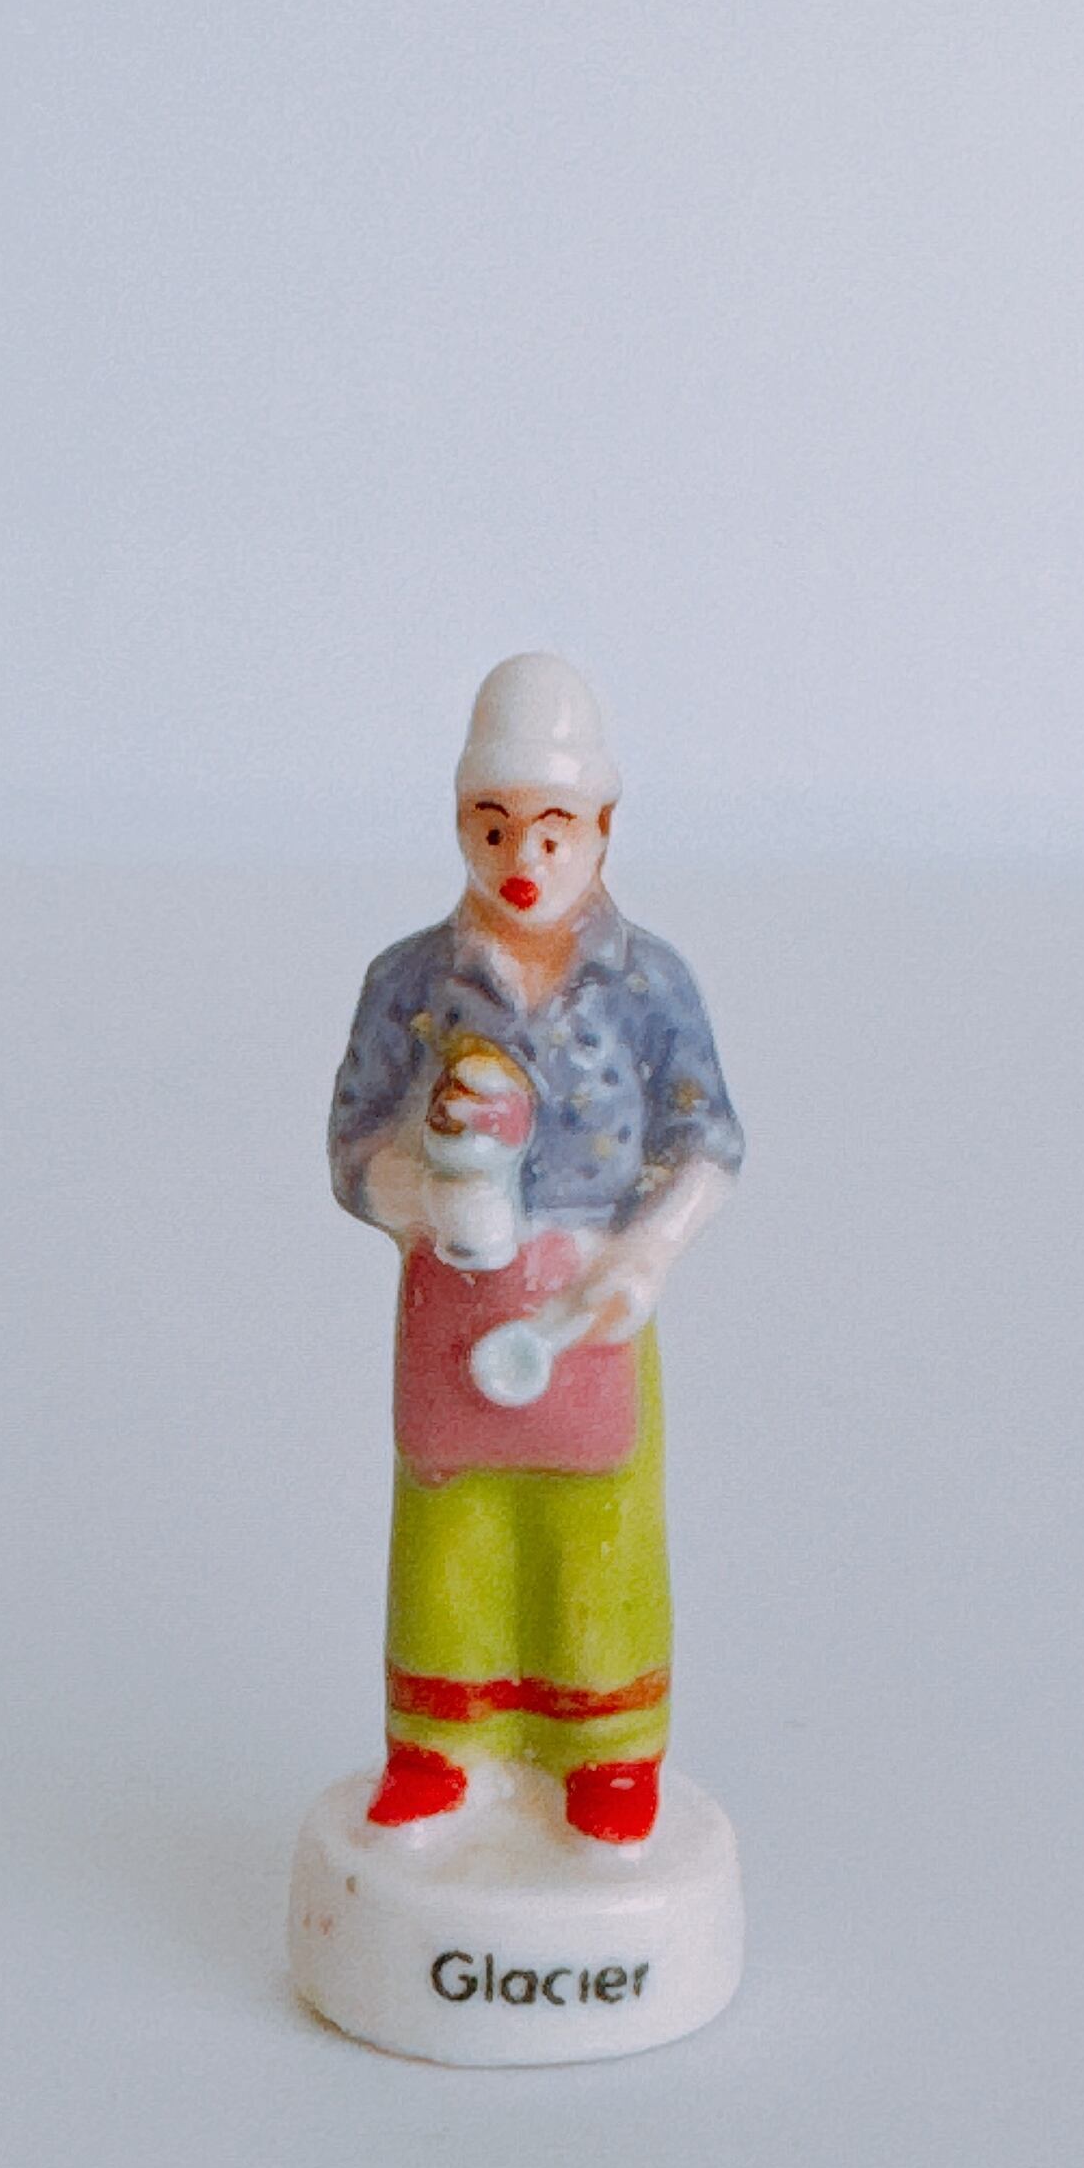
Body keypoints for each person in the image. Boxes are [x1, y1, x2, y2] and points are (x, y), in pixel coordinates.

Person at [326, 654, 741, 1844]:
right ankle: (441, 1742)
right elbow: (352, 1143)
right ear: (460, 819)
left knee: (595, 1516)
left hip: (589, 1294)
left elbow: (708, 1140)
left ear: (604, 827)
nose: (524, 858)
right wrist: (417, 1186)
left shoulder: (646, 983)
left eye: (554, 829)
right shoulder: (412, 982)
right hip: (455, 1288)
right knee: (450, 1515)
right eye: (495, 824)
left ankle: (603, 1749)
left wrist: (647, 1253)